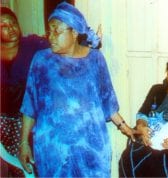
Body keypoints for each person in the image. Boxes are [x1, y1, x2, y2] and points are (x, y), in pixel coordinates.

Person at [18, 2, 135, 177]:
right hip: (53, 148)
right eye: (50, 31)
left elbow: (107, 99)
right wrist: (24, 144)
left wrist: (125, 128)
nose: (51, 37)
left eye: (57, 31)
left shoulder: (95, 59)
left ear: (74, 33)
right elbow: (30, 103)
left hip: (91, 147)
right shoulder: (42, 60)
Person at [0, 7, 49, 177]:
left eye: (13, 23)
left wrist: (86, 40)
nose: (11, 28)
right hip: (2, 124)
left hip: (29, 120)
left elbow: (60, 45)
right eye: (4, 26)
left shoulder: (33, 44)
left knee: (31, 168)